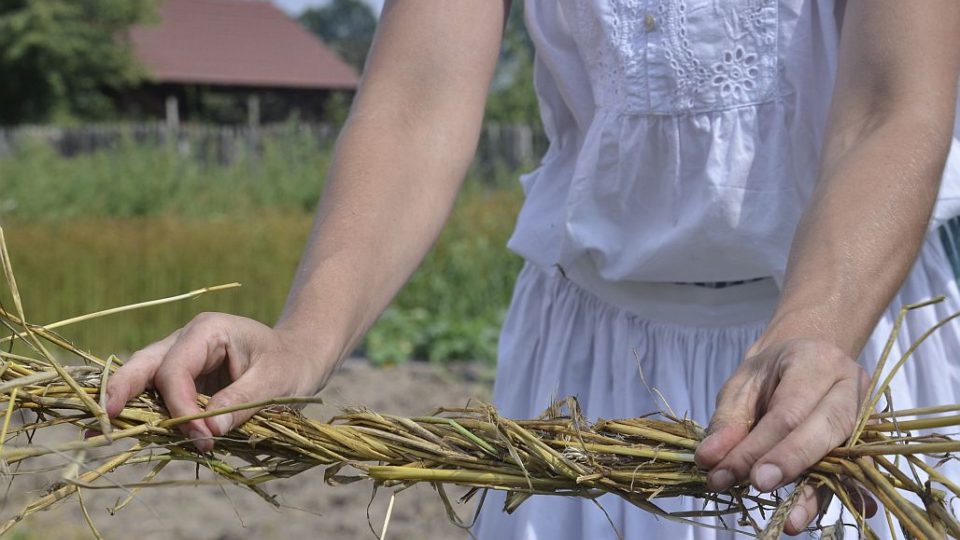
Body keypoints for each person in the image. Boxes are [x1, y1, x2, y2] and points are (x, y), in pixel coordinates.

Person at [104, 1, 960, 538]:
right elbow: (418, 102)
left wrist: (815, 330)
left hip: (837, 351)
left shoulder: (829, 344)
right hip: (591, 378)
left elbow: (895, 103)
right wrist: (301, 339)